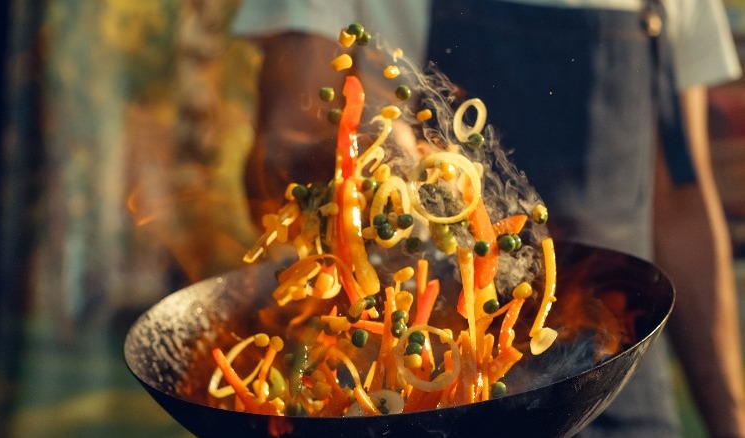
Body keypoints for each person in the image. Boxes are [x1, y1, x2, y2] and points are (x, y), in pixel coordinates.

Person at [229, 1, 745, 436]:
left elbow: (680, 204)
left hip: (622, 397)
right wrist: (350, 159)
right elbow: (278, 146)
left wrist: (731, 421)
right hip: (421, 401)